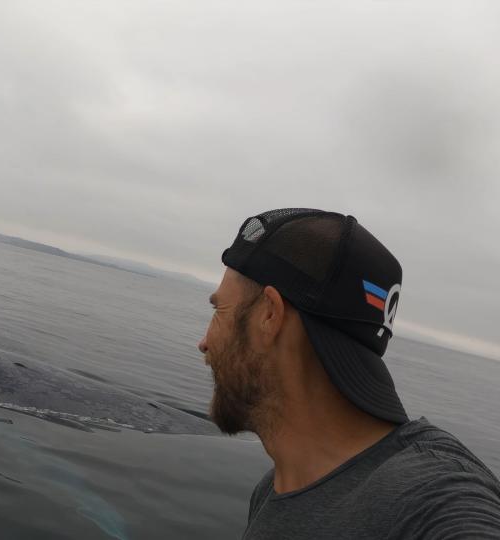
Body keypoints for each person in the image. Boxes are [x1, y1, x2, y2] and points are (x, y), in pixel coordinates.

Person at [198, 208, 500, 539]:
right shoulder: (272, 490)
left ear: (270, 315)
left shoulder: (432, 497)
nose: (204, 342)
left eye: (219, 311)